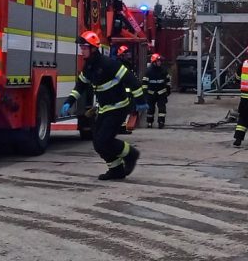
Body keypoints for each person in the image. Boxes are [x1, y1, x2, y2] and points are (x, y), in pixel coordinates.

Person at [63, 31, 145, 180]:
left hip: (119, 107)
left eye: (84, 47)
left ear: (93, 48)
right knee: (98, 143)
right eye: (81, 47)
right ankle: (116, 170)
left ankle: (131, 154)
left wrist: (140, 100)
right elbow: (80, 85)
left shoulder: (108, 64)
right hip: (105, 109)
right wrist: (69, 101)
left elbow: (131, 79)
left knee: (104, 140)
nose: (82, 50)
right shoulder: (89, 67)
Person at [143, 53, 170, 128]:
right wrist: (145, 91)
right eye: (158, 61)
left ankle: (161, 122)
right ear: (154, 62)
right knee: (150, 109)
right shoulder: (148, 71)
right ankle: (149, 122)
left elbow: (168, 80)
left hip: (161, 93)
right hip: (151, 93)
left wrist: (168, 89)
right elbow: (144, 82)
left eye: (160, 61)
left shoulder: (164, 70)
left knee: (162, 108)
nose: (160, 62)